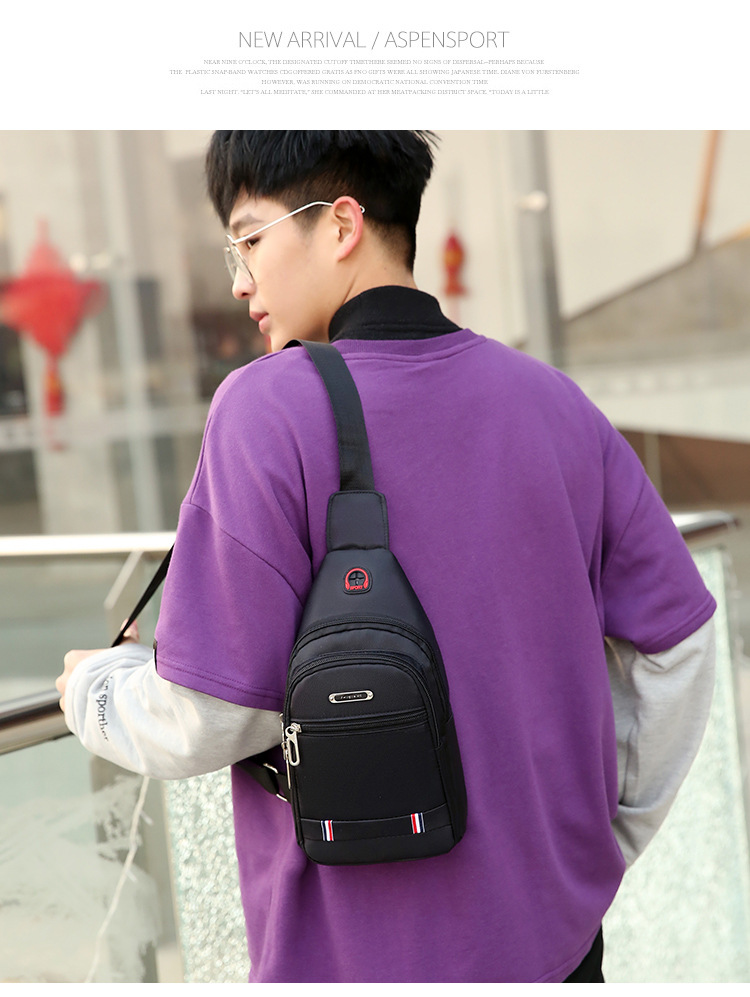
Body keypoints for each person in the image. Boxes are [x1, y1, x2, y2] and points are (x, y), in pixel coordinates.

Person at [57, 131, 717, 983]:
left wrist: (93, 689)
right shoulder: (552, 402)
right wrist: (595, 845)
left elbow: (210, 713)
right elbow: (677, 642)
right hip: (555, 946)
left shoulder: (266, 410)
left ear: (340, 225)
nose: (239, 280)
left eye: (249, 239)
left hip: (357, 957)